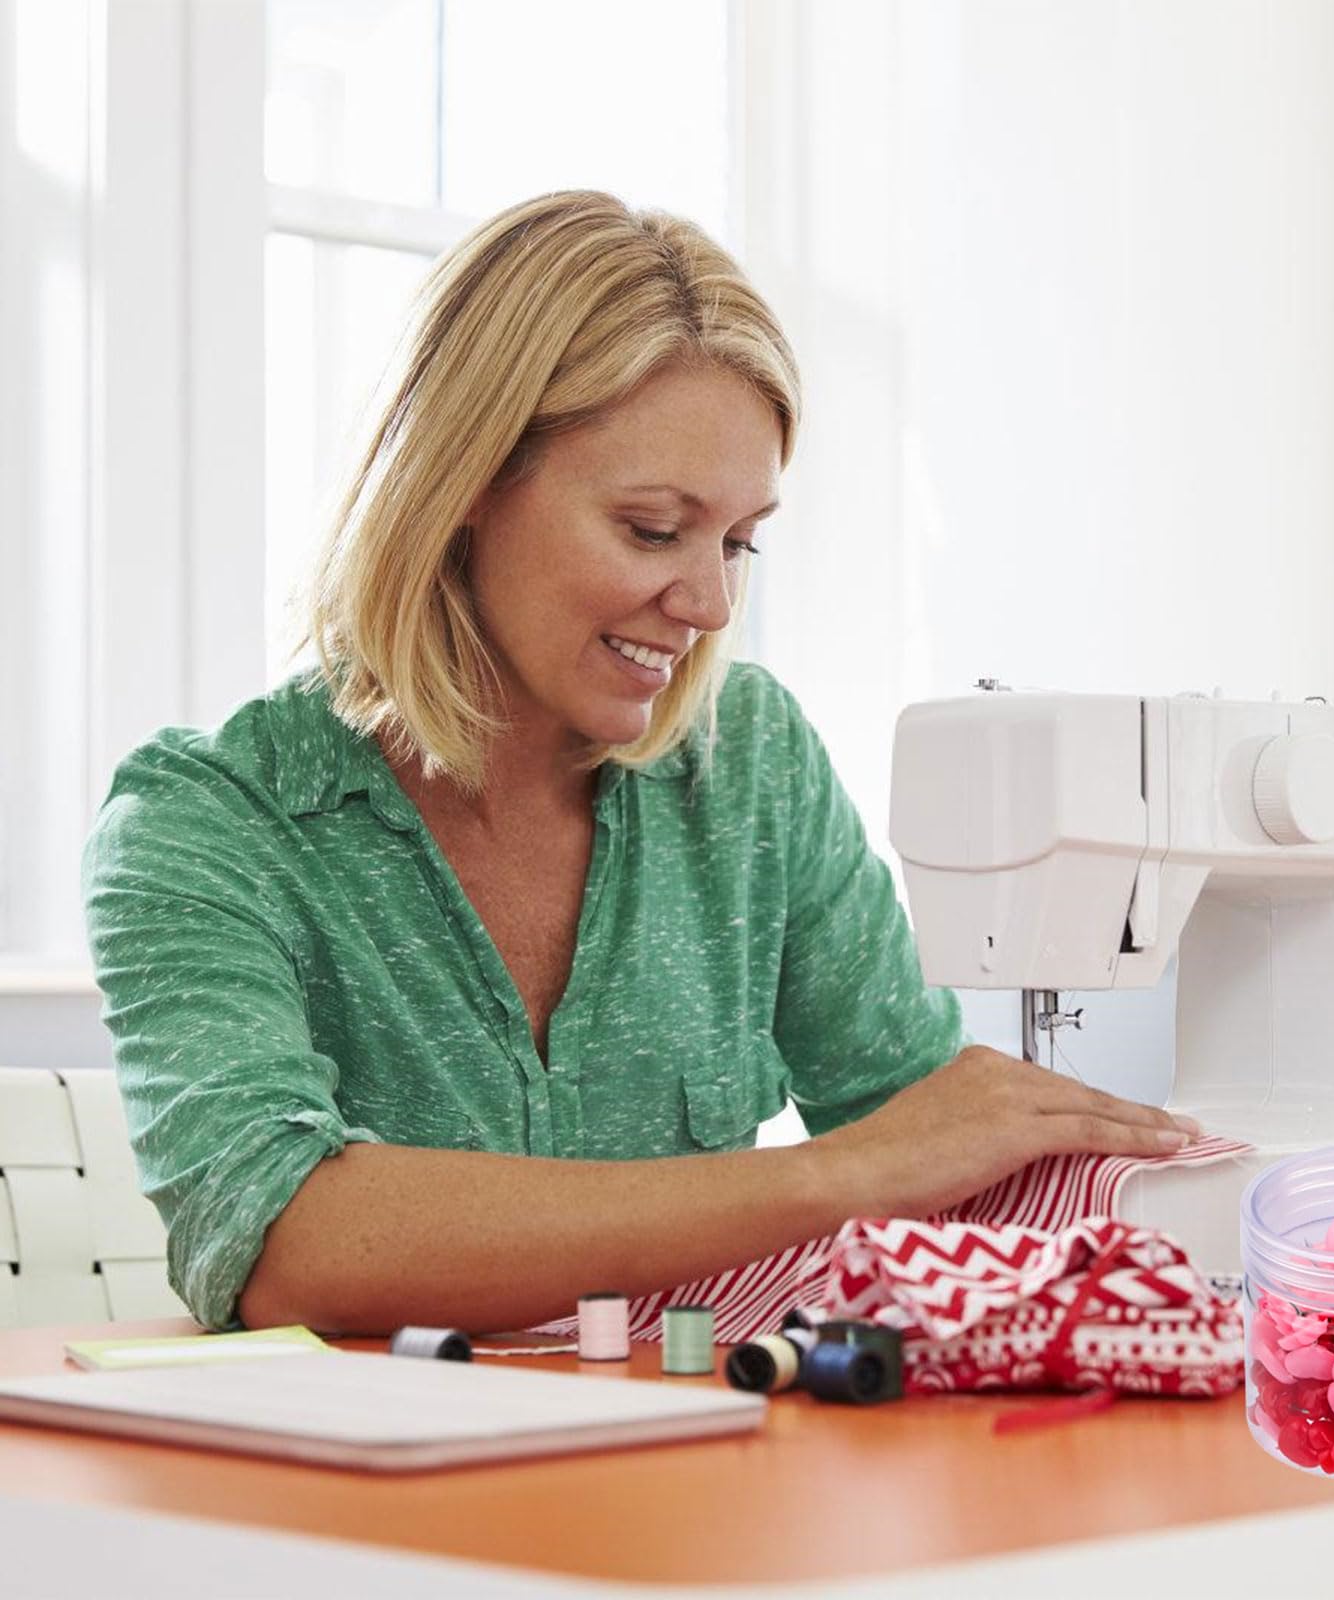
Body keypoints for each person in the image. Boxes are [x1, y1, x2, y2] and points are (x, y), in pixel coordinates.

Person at [81, 190, 1198, 1337]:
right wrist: (836, 1177)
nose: (712, 602)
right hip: (336, 1502)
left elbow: (933, 1145)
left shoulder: (750, 767)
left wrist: (1224, 1201)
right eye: (654, 529)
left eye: (741, 540)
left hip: (680, 1473)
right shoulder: (208, 826)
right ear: (462, 484)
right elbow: (285, 1243)